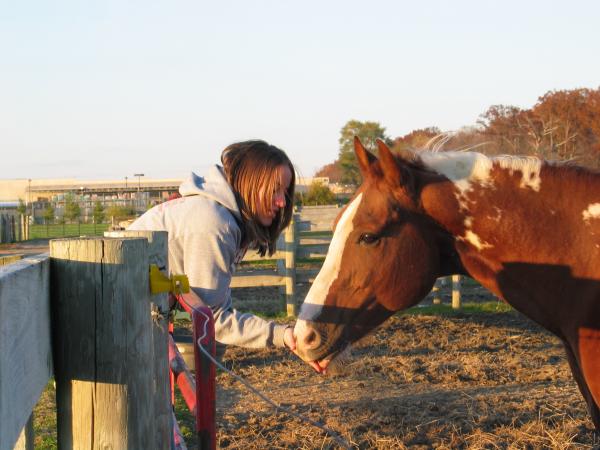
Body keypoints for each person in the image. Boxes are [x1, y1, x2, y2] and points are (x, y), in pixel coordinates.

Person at [128, 140, 299, 354]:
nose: (282, 201)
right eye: (275, 190)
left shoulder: (219, 215)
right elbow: (215, 321)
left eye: (285, 192)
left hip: (131, 309)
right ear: (249, 182)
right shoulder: (215, 224)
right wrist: (282, 335)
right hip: (119, 312)